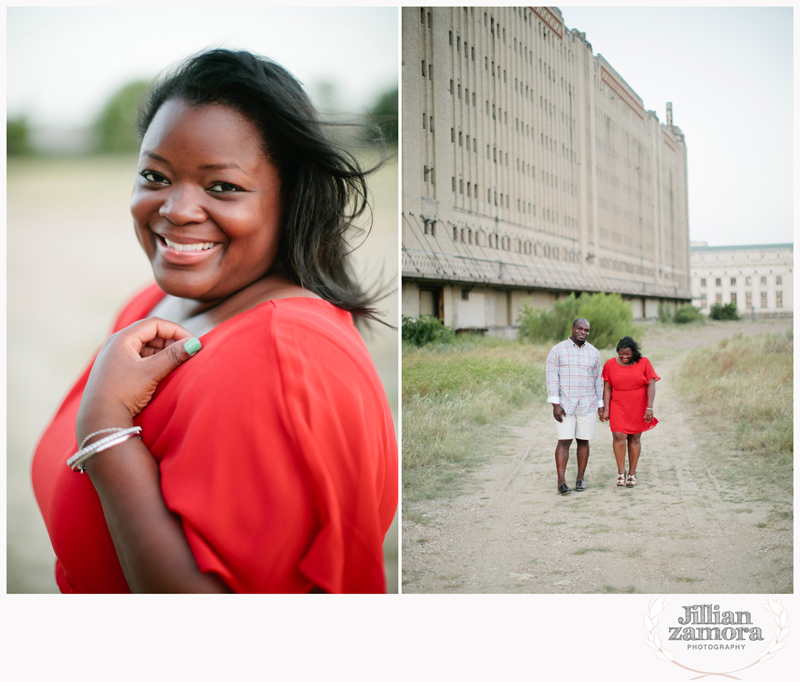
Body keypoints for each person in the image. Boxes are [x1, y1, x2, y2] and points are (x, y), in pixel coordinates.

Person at [31, 49, 397, 593]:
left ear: (289, 199)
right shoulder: (149, 307)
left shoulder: (283, 354)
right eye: (155, 175)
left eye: (222, 186)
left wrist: (107, 432)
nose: (176, 210)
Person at [545, 318, 604, 495]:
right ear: (572, 328)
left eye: (586, 330)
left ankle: (580, 479)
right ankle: (561, 482)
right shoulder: (557, 351)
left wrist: (600, 405)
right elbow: (551, 377)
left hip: (587, 403)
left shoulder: (594, 353)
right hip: (565, 404)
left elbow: (597, 381)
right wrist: (555, 404)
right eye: (580, 329)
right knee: (564, 441)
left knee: (583, 441)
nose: (583, 333)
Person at [600, 336, 659, 488]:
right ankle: (621, 472)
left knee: (635, 438)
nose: (624, 357)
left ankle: (632, 473)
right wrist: (606, 409)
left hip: (638, 405)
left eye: (628, 354)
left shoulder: (644, 362)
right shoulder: (610, 364)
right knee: (619, 436)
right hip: (618, 404)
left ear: (634, 352)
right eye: (621, 354)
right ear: (617, 352)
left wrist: (649, 407)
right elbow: (607, 388)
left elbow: (651, 384)